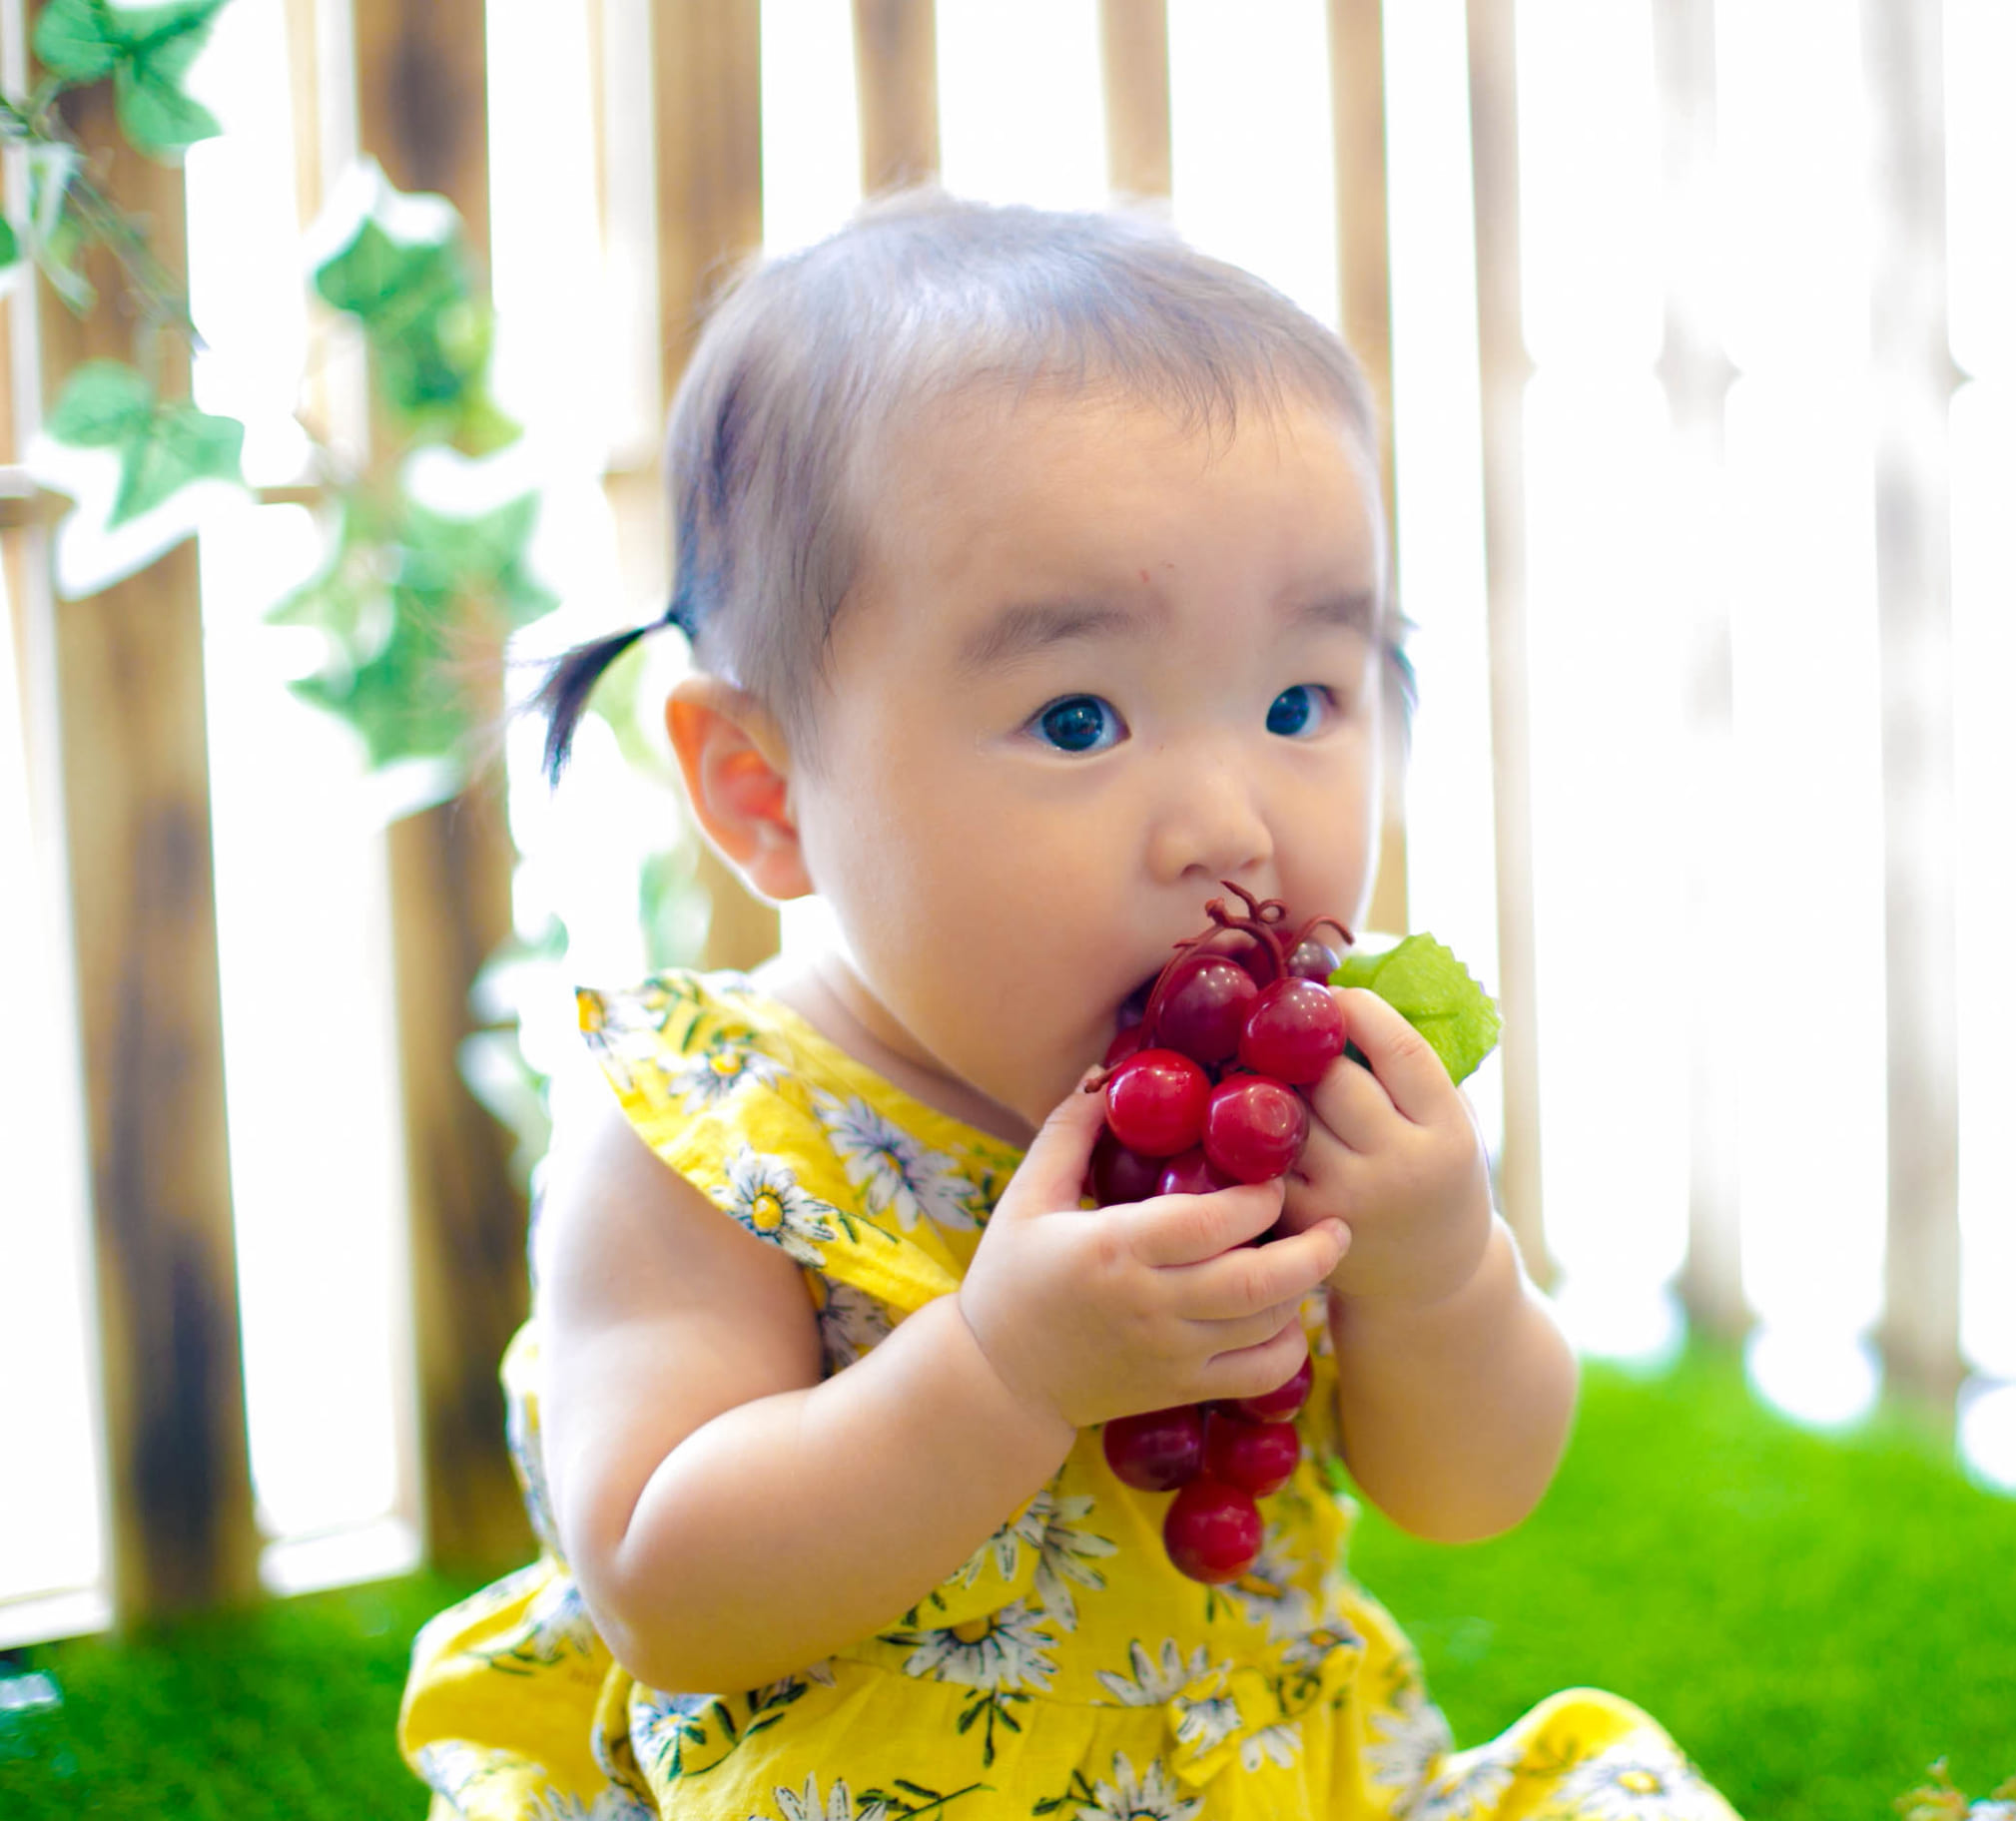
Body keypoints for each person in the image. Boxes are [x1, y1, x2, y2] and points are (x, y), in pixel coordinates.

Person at [398, 189, 1737, 1821]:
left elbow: (1470, 1490)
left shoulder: (1286, 1114)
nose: (1230, 826)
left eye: (1299, 699)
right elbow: (665, 1587)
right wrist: (1004, 1371)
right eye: (1081, 718)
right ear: (764, 791)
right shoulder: (713, 1128)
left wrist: (1438, 1267)